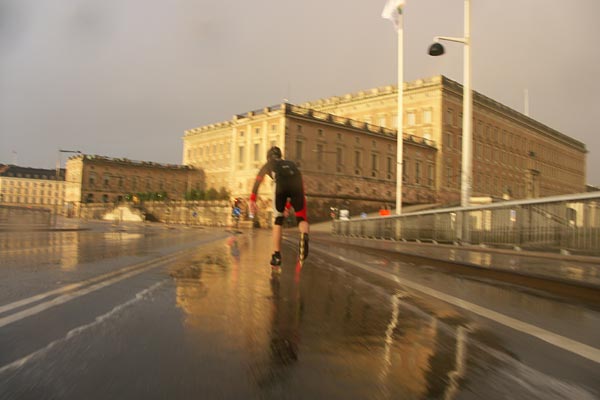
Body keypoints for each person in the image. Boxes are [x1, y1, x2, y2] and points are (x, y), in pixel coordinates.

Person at [249, 146, 309, 266]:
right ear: (280, 156)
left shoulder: (268, 165)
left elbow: (258, 180)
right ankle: (305, 236)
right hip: (297, 183)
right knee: (302, 219)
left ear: (268, 157)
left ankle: (276, 256)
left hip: (281, 184)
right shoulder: (290, 164)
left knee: (278, 220)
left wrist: (252, 199)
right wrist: (288, 206)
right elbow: (297, 184)